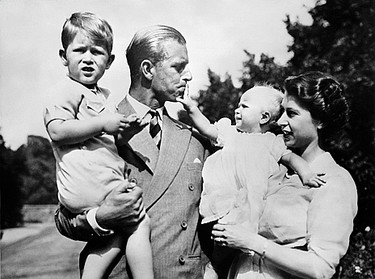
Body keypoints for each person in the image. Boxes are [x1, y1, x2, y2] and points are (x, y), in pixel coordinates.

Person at [53, 24, 212, 278]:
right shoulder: (96, 127)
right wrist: (100, 218)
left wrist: (212, 269)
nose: (189, 76)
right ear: (148, 70)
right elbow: (63, 217)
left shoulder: (195, 136)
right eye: (179, 67)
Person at [211, 72, 358, 279]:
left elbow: (321, 267)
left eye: (291, 113)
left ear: (320, 121)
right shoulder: (272, 166)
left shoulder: (334, 181)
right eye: (281, 112)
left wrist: (251, 241)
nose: (279, 121)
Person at [43, 12, 153, 279]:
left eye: (97, 52)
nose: (88, 58)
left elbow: (103, 142)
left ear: (109, 61)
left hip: (95, 185)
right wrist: (104, 123)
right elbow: (57, 131)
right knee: (140, 222)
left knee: (112, 236)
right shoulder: (67, 89)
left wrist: (124, 132)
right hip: (88, 185)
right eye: (79, 50)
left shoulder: (100, 97)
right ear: (63, 56)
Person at [178, 85, 325, 278]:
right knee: (220, 248)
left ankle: (219, 269)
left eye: (244, 106)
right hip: (225, 202)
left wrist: (306, 173)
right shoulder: (230, 133)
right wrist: (191, 108)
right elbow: (207, 128)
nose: (236, 110)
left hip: (250, 208)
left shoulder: (272, 142)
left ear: (264, 117)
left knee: (238, 248)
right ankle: (213, 268)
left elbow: (291, 159)